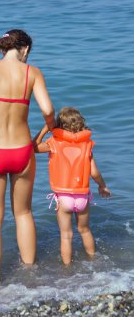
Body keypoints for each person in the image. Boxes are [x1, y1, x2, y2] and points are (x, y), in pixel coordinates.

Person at [0, 29, 55, 282]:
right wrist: (49, 129)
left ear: (3, 48)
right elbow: (48, 109)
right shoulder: (32, 73)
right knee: (24, 213)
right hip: (22, 152)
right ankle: (30, 274)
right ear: (25, 49)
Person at [33, 107, 111, 265]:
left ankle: (67, 269)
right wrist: (102, 186)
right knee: (85, 230)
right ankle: (94, 260)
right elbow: (94, 172)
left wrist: (46, 129)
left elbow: (33, 147)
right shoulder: (87, 145)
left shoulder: (53, 143)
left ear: (59, 127)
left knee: (66, 235)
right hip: (82, 197)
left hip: (64, 198)